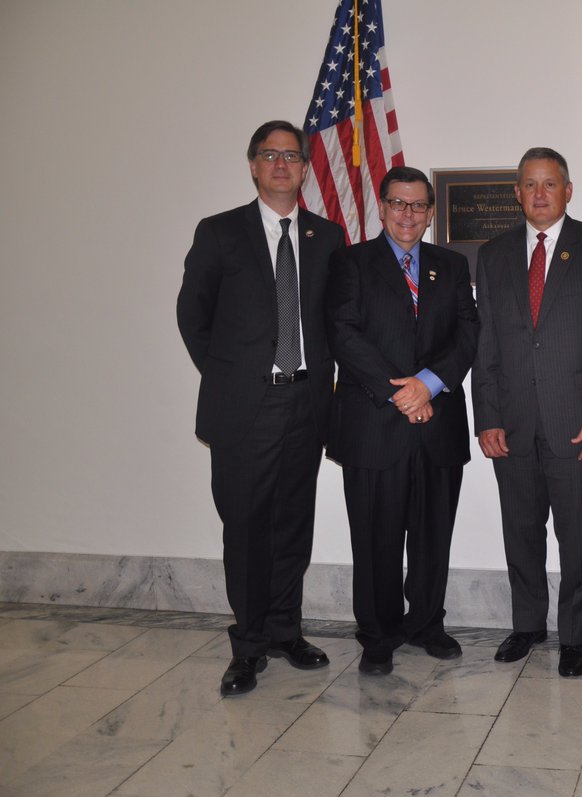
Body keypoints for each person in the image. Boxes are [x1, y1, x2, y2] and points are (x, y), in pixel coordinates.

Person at [177, 120, 345, 696]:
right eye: (269, 155)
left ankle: (284, 631)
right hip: (244, 409)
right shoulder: (220, 232)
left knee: (293, 523)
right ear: (253, 165)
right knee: (247, 527)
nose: (280, 164)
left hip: (307, 402)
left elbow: (335, 319)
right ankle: (248, 646)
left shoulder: (328, 237)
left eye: (291, 156)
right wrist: (231, 378)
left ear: (304, 169)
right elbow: (193, 316)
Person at [472, 147, 582, 677]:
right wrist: (487, 418)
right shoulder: (493, 254)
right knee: (520, 532)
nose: (540, 194)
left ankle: (575, 637)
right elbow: (486, 345)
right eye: (530, 184)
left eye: (550, 183)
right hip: (511, 424)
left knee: (576, 537)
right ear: (517, 193)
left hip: (579, 426)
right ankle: (527, 625)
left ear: (568, 190)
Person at [325, 166, 479, 675]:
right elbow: (343, 334)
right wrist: (403, 393)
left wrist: (428, 385)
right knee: (376, 539)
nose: (407, 214)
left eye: (417, 205)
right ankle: (378, 633)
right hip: (373, 425)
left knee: (434, 535)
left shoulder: (451, 265)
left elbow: (468, 333)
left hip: (438, 426)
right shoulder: (350, 262)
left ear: (430, 212)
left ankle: (427, 624)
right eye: (398, 203)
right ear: (382, 207)